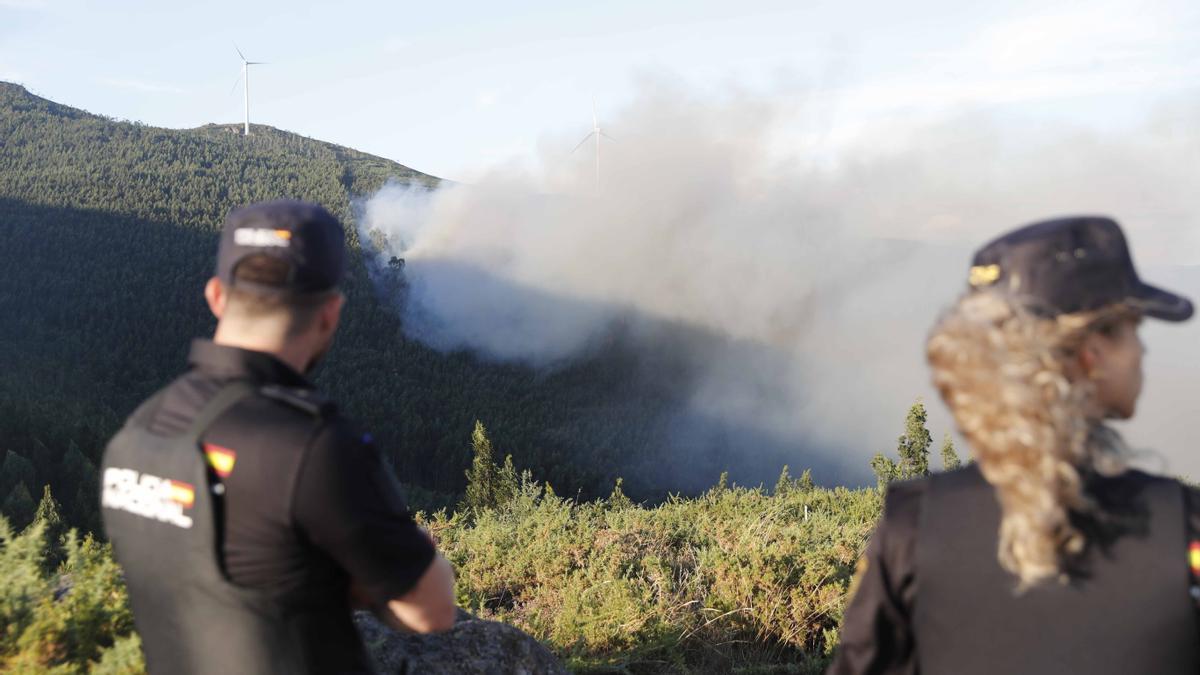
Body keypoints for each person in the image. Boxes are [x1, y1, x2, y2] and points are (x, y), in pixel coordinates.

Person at [829, 215, 1199, 674]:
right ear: (1091, 355)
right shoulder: (1186, 530)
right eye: (1131, 330)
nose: (1143, 352)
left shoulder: (914, 528)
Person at [100, 200, 456, 674]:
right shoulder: (313, 447)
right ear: (329, 314)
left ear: (216, 296)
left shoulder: (136, 433)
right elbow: (431, 608)